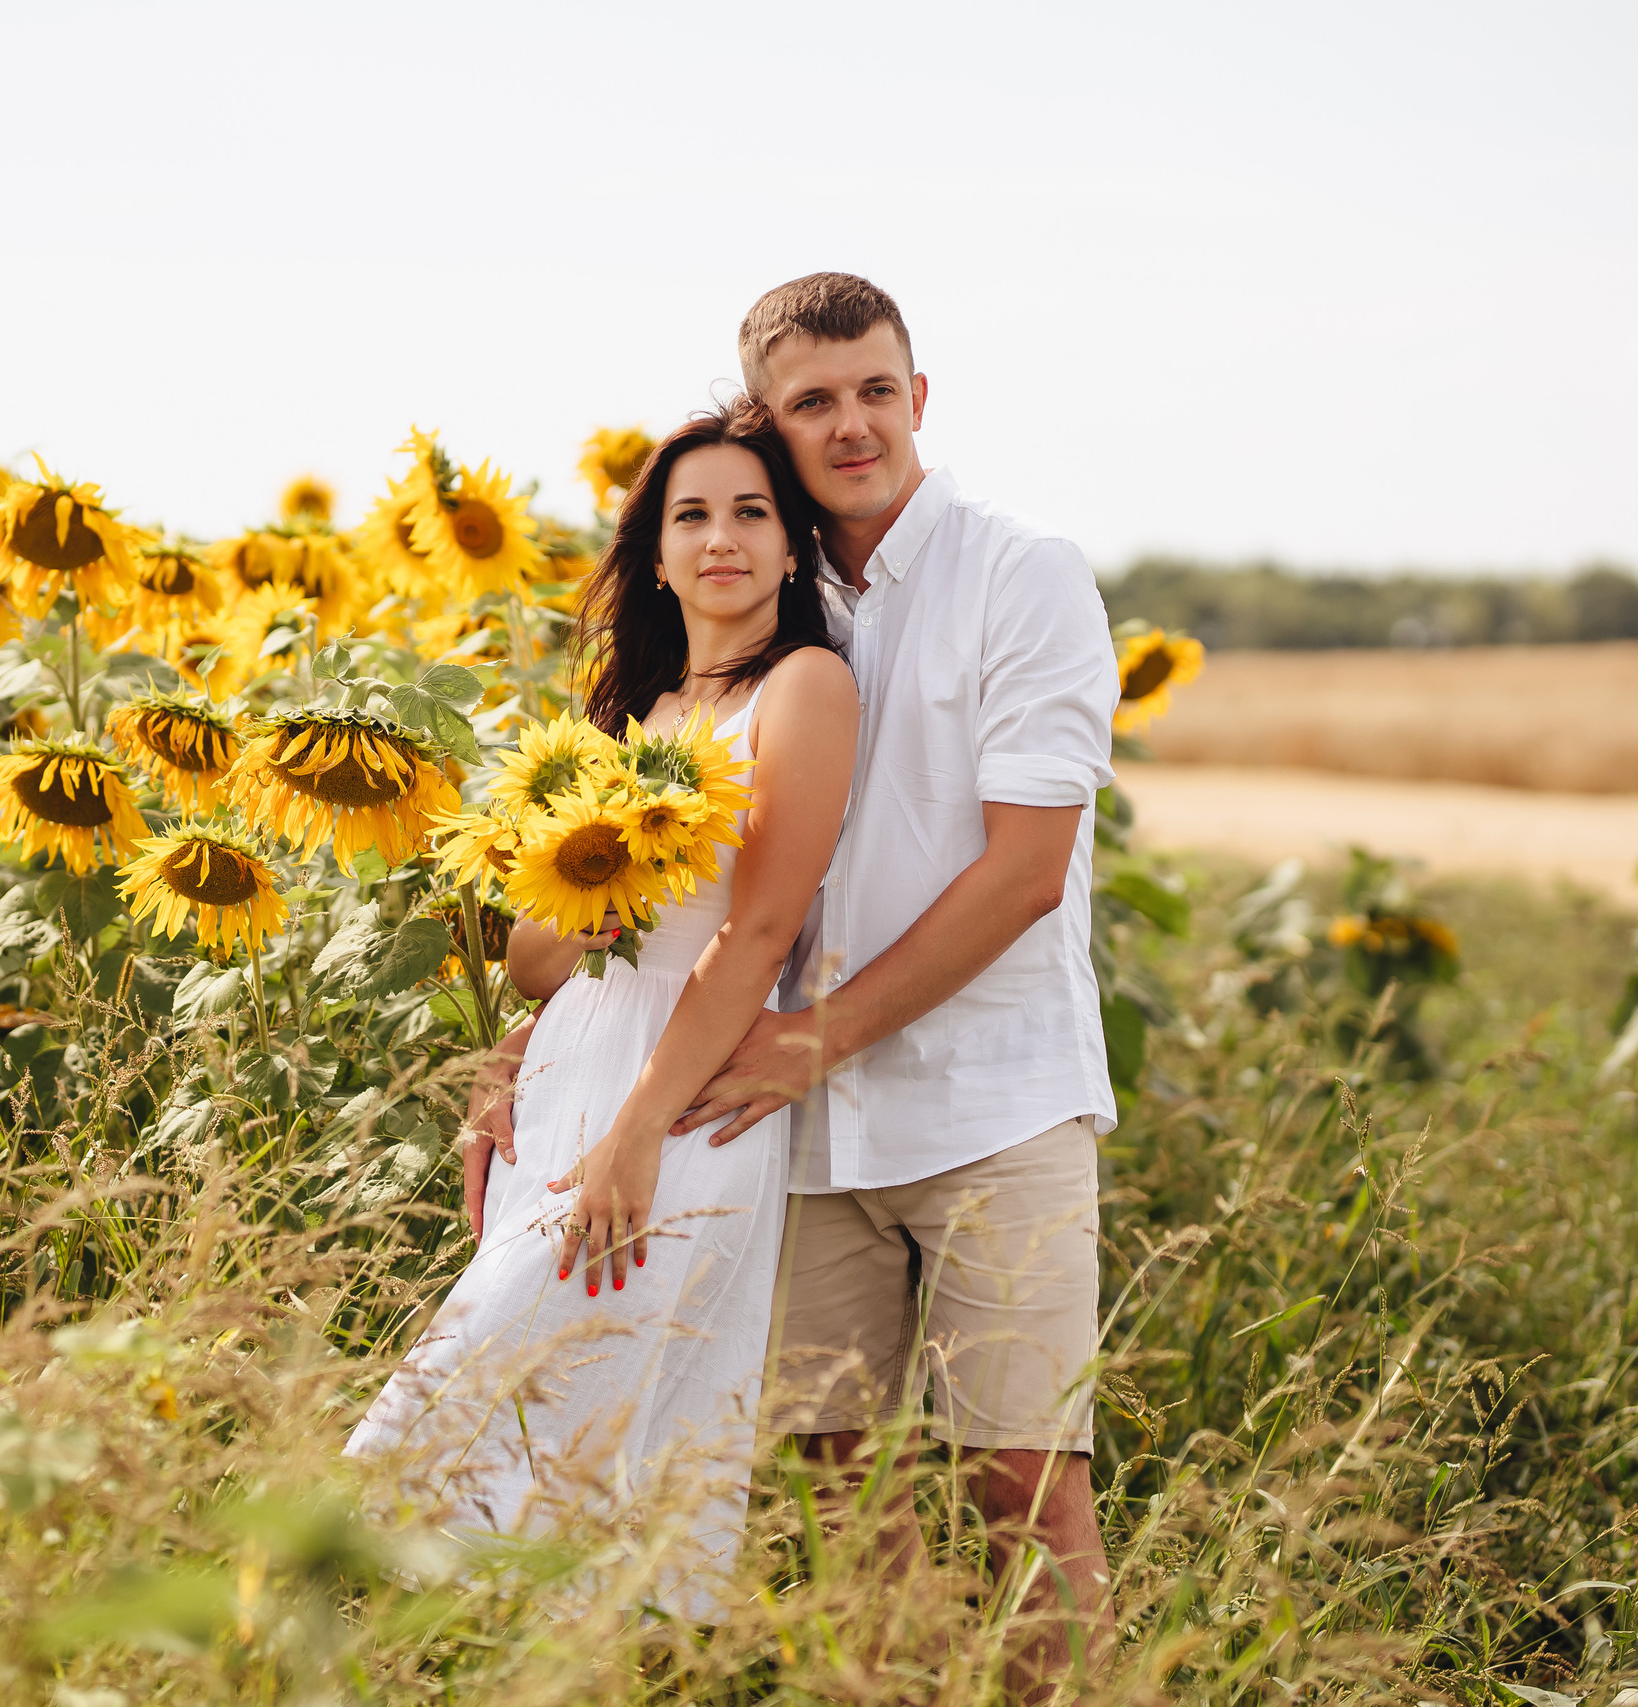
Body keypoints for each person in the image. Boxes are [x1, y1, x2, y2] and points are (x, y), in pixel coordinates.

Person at [464, 273, 1121, 1688]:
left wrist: (812, 1037)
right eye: (815, 401)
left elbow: (1022, 874)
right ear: (773, 420)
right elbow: (666, 893)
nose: (855, 424)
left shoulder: (1024, 572)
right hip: (790, 1129)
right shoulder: (754, 575)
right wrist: (539, 1048)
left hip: (987, 1102)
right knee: (837, 1494)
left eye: (877, 389)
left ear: (919, 396)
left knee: (1023, 1482)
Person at [345, 400, 858, 1618]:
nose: (721, 538)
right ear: (656, 548)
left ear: (795, 549)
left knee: (476, 1415)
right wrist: (532, 1021)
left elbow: (758, 935)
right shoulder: (633, 709)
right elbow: (534, 955)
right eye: (692, 515)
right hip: (571, 1081)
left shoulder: (803, 687)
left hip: (678, 1103)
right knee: (547, 1456)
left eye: (752, 513)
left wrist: (635, 1130)